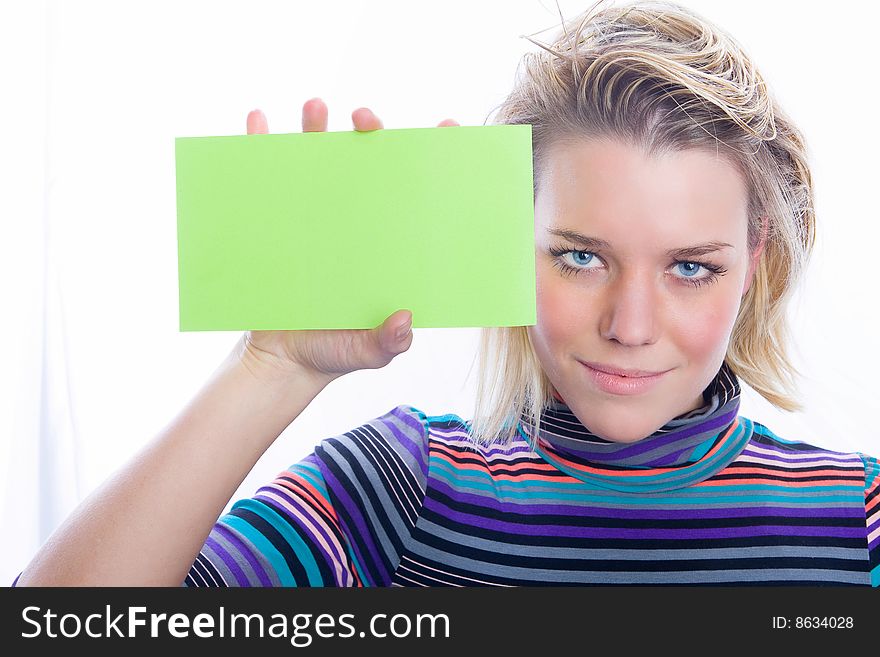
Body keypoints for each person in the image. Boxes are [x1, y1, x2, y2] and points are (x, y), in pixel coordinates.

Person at [14, 0, 879, 587]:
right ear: (511, 239)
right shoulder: (400, 487)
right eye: (581, 258)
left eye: (691, 268)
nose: (631, 325)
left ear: (756, 261)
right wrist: (269, 366)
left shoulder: (860, 521)